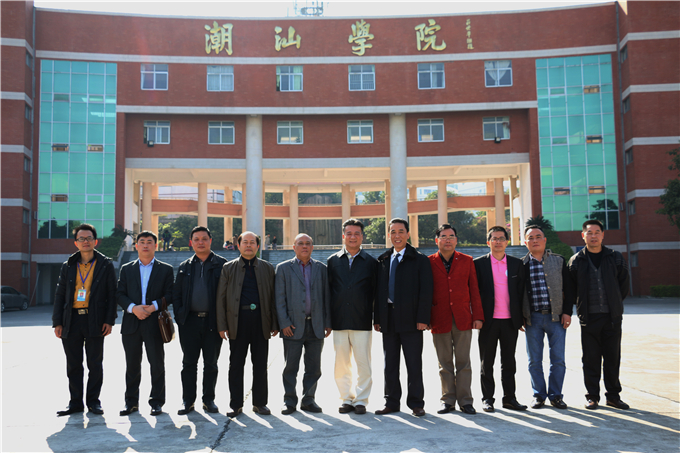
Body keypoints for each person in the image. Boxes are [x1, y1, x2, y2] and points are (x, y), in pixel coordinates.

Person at [52, 224, 117, 416]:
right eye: (81, 238)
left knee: (95, 364)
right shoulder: (68, 265)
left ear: (95, 241)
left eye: (89, 238)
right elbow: (60, 294)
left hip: (95, 319)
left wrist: (109, 320)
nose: (85, 241)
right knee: (73, 364)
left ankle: (93, 402)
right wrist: (57, 322)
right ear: (76, 243)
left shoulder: (105, 264)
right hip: (71, 319)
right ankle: (75, 403)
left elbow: (112, 294)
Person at [568, 219, 630, 410]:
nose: (593, 236)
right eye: (589, 232)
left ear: (603, 235)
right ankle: (592, 396)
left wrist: (615, 303)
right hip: (589, 318)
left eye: (597, 232)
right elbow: (571, 289)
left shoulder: (615, 257)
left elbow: (623, 285)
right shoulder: (576, 261)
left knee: (612, 358)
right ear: (583, 235)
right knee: (590, 359)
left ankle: (613, 396)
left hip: (612, 318)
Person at [374, 218, 433, 416]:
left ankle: (416, 403)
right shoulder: (383, 260)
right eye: (393, 232)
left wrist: (423, 318)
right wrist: (377, 318)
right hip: (388, 318)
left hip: (412, 320)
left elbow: (426, 291)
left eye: (401, 231)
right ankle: (391, 402)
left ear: (408, 234)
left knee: (413, 363)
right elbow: (378, 292)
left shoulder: (420, 259)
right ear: (388, 235)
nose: (397, 235)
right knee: (390, 364)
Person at [216, 231, 279, 417]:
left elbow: (273, 297)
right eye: (245, 242)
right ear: (238, 245)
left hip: (261, 320)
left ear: (258, 246)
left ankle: (260, 403)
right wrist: (222, 325)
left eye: (252, 242)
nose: (249, 245)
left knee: (260, 364)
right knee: (236, 364)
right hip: (237, 321)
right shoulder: (228, 268)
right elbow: (221, 298)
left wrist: (274, 322)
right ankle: (235, 404)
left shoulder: (267, 268)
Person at [428, 224, 484, 415]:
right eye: (443, 236)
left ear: (456, 240)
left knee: (463, 362)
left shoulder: (467, 260)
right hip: (439, 319)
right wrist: (426, 318)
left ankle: (466, 401)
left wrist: (478, 316)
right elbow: (425, 292)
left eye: (451, 236)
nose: (448, 240)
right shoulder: (429, 262)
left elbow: (474, 290)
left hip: (463, 318)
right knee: (444, 364)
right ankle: (447, 401)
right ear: (437, 240)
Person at [117, 231, 174, 416]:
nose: (145, 245)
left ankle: (157, 402)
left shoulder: (165, 269)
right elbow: (119, 293)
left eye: (149, 242)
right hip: (131, 323)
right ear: (136, 246)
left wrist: (153, 307)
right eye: (142, 242)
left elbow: (171, 294)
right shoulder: (126, 269)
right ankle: (131, 402)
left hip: (155, 322)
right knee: (132, 365)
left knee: (157, 364)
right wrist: (133, 308)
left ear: (155, 246)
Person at [173, 226, 227, 415]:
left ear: (210, 241)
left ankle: (208, 400)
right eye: (196, 239)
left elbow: (228, 295)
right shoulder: (185, 266)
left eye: (204, 238)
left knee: (211, 363)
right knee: (189, 363)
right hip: (189, 322)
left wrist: (223, 322)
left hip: (213, 322)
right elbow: (177, 294)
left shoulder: (222, 265)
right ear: (191, 242)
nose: (200, 242)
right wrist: (180, 316)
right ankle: (187, 401)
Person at [275, 233, 331, 415]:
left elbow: (327, 297)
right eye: (300, 243)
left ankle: (309, 400)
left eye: (308, 243)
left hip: (316, 326)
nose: (304, 246)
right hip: (292, 327)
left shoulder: (322, 269)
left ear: (312, 247)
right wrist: (284, 323)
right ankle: (289, 401)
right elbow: (279, 299)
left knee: (314, 367)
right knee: (290, 367)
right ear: (294, 247)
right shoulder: (283, 268)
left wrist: (327, 322)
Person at [473, 226, 526, 412]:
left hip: (510, 320)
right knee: (486, 362)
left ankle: (510, 398)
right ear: (488, 242)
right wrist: (477, 317)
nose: (498, 242)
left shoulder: (516, 264)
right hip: (488, 321)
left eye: (501, 238)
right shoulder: (478, 264)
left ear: (507, 241)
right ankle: (487, 399)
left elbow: (521, 292)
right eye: (494, 238)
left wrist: (522, 318)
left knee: (509, 363)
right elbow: (474, 293)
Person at [522, 225, 575, 410]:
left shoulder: (558, 261)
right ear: (525, 242)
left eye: (538, 237)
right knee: (534, 361)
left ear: (544, 240)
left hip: (556, 318)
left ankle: (556, 395)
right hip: (533, 319)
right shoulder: (521, 265)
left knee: (558, 359)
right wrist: (521, 316)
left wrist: (567, 312)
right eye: (530, 238)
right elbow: (518, 293)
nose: (535, 240)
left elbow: (569, 288)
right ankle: (539, 395)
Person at [327, 219, 377, 415]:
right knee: (341, 364)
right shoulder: (333, 261)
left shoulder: (371, 262)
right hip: (339, 320)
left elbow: (376, 293)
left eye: (357, 233)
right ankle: (346, 399)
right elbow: (328, 291)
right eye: (349, 233)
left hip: (361, 320)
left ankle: (361, 400)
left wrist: (376, 319)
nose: (353, 237)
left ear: (362, 236)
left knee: (363, 363)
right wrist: (328, 320)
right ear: (343, 236)